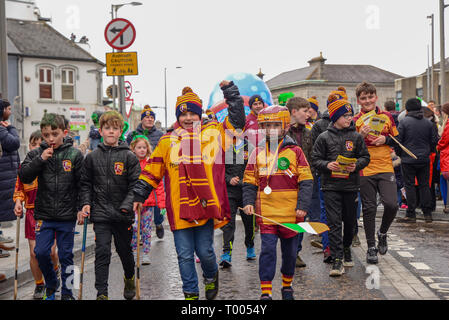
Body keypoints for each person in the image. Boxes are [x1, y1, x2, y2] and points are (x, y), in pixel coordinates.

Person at [133, 81, 246, 300]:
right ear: (177, 117)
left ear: (199, 115)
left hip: (205, 207)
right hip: (179, 208)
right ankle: (191, 296)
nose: (187, 119)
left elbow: (237, 123)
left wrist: (230, 93)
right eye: (183, 115)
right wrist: (138, 195)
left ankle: (211, 276)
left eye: (192, 114)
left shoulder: (213, 133)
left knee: (205, 252)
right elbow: (152, 172)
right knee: (184, 255)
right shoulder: (167, 141)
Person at [242, 105, 313, 300]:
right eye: (266, 126)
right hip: (266, 214)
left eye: (275, 125)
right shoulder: (256, 152)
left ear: (285, 126)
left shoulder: (296, 152)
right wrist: (248, 202)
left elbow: (306, 181)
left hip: (291, 214)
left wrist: (303, 207)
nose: (271, 129)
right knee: (267, 252)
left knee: (290, 253)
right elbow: (249, 182)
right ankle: (265, 291)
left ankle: (287, 286)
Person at [18, 113, 84, 300]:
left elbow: (83, 184)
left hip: (67, 214)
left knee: (66, 255)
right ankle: (52, 283)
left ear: (64, 132)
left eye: (54, 134)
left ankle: (68, 292)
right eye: (46, 135)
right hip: (44, 214)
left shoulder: (74, 154)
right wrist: (41, 160)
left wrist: (82, 207)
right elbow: (24, 176)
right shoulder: (36, 153)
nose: (51, 139)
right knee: (40, 252)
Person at [78, 111, 141, 300]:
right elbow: (85, 184)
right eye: (107, 128)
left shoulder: (129, 156)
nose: (111, 132)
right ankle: (102, 292)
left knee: (124, 251)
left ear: (121, 131)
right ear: (101, 131)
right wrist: (86, 203)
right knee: (102, 252)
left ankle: (129, 276)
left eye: (115, 128)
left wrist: (127, 205)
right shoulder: (91, 157)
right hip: (101, 214)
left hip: (122, 214)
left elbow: (135, 185)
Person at [312, 93, 370, 276]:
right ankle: (337, 260)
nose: (349, 118)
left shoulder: (356, 137)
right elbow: (315, 159)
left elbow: (365, 157)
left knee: (351, 223)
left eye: (350, 115)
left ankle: (346, 248)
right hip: (330, 187)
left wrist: (356, 165)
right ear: (336, 117)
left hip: (351, 186)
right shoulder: (323, 137)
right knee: (334, 223)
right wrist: (327, 165)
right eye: (345, 116)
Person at [353, 81, 399, 264]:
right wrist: (361, 136)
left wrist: (385, 139)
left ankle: (383, 232)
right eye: (363, 98)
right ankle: (371, 247)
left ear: (376, 97)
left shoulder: (387, 116)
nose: (367, 101)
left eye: (370, 97)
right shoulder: (356, 120)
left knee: (392, 204)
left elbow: (397, 139)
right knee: (369, 208)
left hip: (386, 166)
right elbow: (351, 146)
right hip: (365, 167)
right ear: (358, 100)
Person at [13, 130, 60, 299]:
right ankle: (39, 284)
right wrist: (18, 202)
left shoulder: (52, 164)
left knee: (51, 252)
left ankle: (55, 271)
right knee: (34, 253)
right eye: (33, 144)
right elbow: (19, 188)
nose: (35, 147)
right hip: (32, 212)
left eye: (40, 144)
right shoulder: (25, 167)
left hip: (50, 212)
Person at [394, 99, 439, 223]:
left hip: (408, 159)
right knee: (425, 186)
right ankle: (427, 213)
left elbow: (398, 141)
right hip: (424, 158)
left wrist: (400, 154)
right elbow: (434, 141)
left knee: (410, 186)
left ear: (407, 110)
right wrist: (428, 151)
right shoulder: (428, 123)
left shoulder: (403, 123)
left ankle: (411, 214)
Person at [127, 106, 166, 240]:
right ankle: (140, 235)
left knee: (157, 199)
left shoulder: (160, 135)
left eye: (152, 118)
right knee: (145, 201)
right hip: (141, 169)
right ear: (142, 119)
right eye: (147, 117)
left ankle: (159, 222)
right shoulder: (133, 134)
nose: (149, 119)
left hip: (157, 170)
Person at [219, 131, 256, 267]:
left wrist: (243, 180)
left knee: (249, 221)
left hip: (246, 191)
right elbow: (219, 170)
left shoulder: (250, 147)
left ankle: (250, 245)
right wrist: (229, 179)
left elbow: (254, 168)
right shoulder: (223, 147)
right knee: (228, 222)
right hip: (229, 191)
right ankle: (226, 252)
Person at [285, 97, 313, 268]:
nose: (308, 115)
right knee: (287, 217)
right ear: (294, 112)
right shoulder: (282, 133)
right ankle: (288, 250)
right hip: (285, 183)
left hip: (304, 182)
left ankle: (296, 252)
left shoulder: (309, 133)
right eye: (305, 111)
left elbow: (313, 157)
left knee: (302, 217)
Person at [129, 135, 166, 266]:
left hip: (149, 203)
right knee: (134, 228)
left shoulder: (151, 164)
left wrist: (161, 203)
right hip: (133, 204)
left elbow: (159, 185)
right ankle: (133, 251)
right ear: (133, 149)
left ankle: (145, 253)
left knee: (146, 229)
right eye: (139, 147)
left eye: (144, 147)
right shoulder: (130, 163)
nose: (142, 150)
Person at [0, 99, 21, 256]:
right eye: (8, 108)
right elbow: (13, 143)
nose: (10, 111)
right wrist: (12, 128)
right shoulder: (2, 128)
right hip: (3, 176)